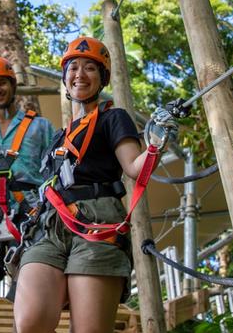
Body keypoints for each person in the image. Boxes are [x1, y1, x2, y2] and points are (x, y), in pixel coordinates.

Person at [13, 37, 178, 332]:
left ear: (102, 78)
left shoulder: (113, 118)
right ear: (65, 77)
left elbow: (133, 168)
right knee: (30, 322)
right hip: (50, 225)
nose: (80, 74)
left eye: (90, 67)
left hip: (96, 221)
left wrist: (156, 142)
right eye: (73, 67)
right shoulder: (58, 137)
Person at [0, 56, 54, 333]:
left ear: (12, 85)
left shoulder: (41, 127)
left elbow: (53, 172)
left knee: (29, 289)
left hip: (30, 210)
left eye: (2, 83)